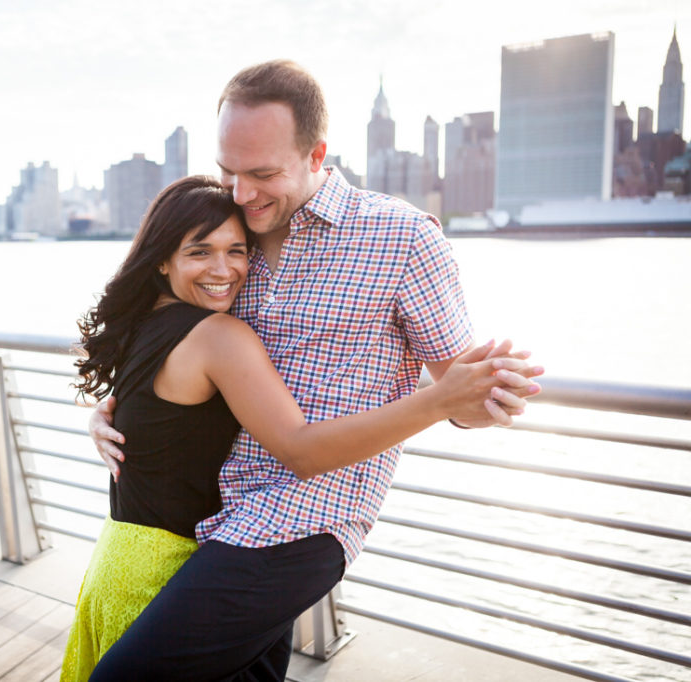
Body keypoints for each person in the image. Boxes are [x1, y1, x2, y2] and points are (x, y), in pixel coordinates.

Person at [85, 61, 544, 681]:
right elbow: (173, 332)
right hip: (213, 512)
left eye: (263, 173)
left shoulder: (402, 238)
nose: (242, 192)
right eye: (230, 171)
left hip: (307, 518)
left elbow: (459, 394)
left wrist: (486, 394)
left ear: (316, 154)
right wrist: (116, 410)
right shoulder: (232, 232)